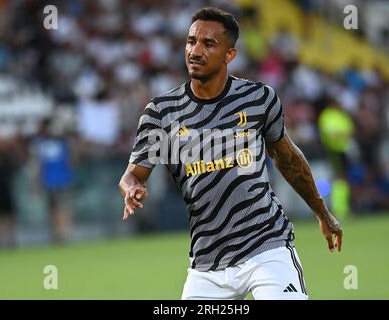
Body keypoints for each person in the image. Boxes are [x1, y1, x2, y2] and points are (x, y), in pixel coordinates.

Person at [119, 7, 343, 300]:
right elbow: (132, 174)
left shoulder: (258, 99)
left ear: (230, 55)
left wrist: (322, 212)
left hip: (266, 247)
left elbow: (289, 160)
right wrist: (132, 188)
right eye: (191, 41)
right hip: (207, 264)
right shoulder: (161, 112)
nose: (195, 51)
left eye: (208, 44)